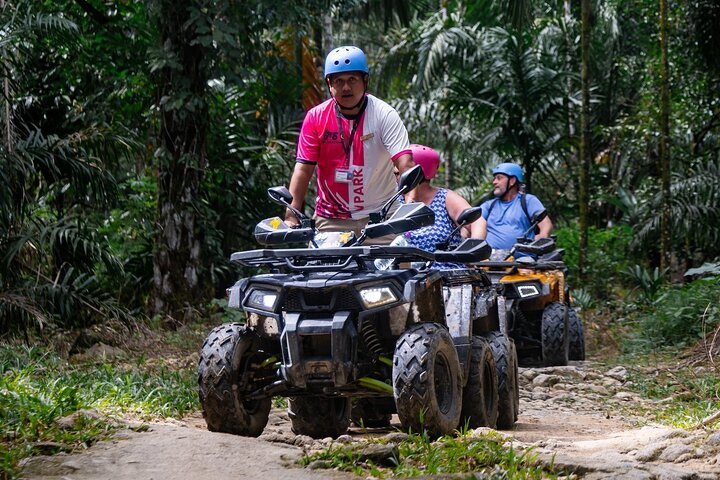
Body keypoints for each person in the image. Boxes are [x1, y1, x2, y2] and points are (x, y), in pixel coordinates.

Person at [284, 45, 414, 241]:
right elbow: (303, 170)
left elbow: (405, 165)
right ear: (329, 84)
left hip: (382, 217)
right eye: (338, 81)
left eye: (352, 80)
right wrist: (291, 216)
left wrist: (411, 206)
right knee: (321, 272)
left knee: (397, 270)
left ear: (365, 80)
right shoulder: (315, 118)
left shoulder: (384, 114)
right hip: (331, 219)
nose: (346, 87)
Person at [396, 144, 482, 268]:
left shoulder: (445, 198)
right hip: (401, 279)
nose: (396, 179)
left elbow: (477, 222)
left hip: (445, 278)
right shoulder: (395, 201)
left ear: (414, 175)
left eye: (399, 174)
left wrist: (472, 251)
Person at [477, 162, 553, 252]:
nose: (494, 182)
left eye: (499, 178)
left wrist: (542, 237)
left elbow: (546, 224)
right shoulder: (489, 205)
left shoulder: (528, 201)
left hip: (523, 261)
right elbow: (473, 222)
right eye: (494, 178)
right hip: (488, 260)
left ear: (512, 180)